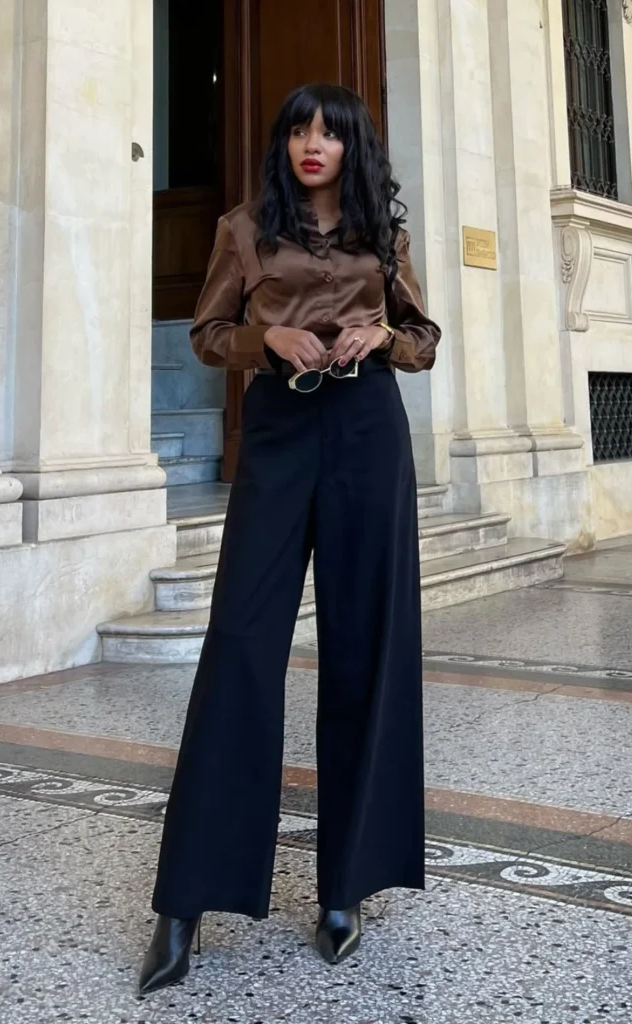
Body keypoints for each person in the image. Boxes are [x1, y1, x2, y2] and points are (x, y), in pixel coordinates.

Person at [138, 82, 441, 996]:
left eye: (330, 133)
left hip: (365, 434)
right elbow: (205, 333)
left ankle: (346, 886)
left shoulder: (382, 236)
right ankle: (184, 900)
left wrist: (378, 335)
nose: (313, 144)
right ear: (285, 144)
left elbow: (424, 338)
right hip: (278, 434)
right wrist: (267, 338)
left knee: (366, 647)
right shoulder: (242, 229)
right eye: (300, 130)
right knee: (239, 645)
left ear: (352, 148)